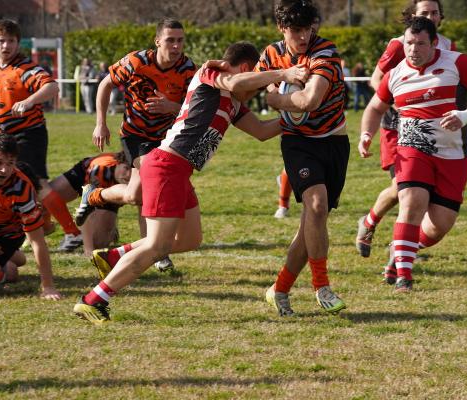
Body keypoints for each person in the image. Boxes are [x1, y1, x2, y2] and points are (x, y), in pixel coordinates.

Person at [72, 41, 309, 324]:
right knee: (157, 246)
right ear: (246, 68)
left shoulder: (234, 103)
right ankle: (93, 300)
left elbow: (261, 131)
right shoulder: (211, 73)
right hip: (166, 165)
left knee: (189, 239)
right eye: (256, 84)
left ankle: (115, 256)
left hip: (179, 171)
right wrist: (282, 74)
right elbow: (236, 82)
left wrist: (300, 114)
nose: (255, 93)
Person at [359, 17, 467, 292]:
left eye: (421, 43)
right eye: (409, 43)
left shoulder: (457, 62)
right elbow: (374, 108)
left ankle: (400, 250)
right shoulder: (395, 74)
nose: (413, 49)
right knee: (412, 201)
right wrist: (366, 134)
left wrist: (466, 114)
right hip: (412, 148)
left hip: (452, 153)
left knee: (439, 226)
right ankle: (404, 277)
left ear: (434, 43)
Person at [77, 18, 197, 272]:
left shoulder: (188, 69)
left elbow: (194, 107)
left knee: (136, 195)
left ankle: (95, 195)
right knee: (151, 188)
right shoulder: (136, 62)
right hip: (136, 135)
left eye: (180, 40)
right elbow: (105, 84)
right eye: (170, 40)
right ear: (157, 41)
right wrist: (100, 123)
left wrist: (172, 107)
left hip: (167, 138)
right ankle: (158, 251)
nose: (176, 46)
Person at [355, 0, 459, 281]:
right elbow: (376, 79)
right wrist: (401, 102)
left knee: (421, 195)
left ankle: (399, 245)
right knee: (405, 190)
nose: (430, 16)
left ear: (441, 17)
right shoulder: (398, 44)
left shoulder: (448, 46)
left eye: (435, 12)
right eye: (424, 12)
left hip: (437, 133)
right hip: (397, 125)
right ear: (413, 15)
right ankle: (372, 224)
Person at [259, 0, 349, 316]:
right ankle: (321, 286)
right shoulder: (271, 54)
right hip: (298, 142)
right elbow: (253, 83)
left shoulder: (325, 53)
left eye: (308, 29)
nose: (302, 37)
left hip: (334, 142)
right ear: (281, 28)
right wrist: (273, 81)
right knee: (317, 205)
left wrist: (275, 98)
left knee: (313, 220)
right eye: (296, 30)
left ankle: (279, 289)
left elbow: (310, 100)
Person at [0, 19, 80, 247]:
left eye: (11, 41)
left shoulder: (24, 69)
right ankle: (39, 227)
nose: (6, 46)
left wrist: (29, 101)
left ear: (18, 43)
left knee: (38, 183)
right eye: (1, 40)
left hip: (28, 134)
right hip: (4, 136)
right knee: (16, 183)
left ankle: (73, 233)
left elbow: (52, 87)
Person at [0, 135, 61, 299]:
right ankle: (12, 260)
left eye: (10, 163)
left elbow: (37, 241)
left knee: (9, 271)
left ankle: (5, 270)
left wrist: (48, 287)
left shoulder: (21, 188)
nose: (4, 170)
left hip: (5, 236)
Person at [272, 15, 321, 220]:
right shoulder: (276, 51)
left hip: (320, 125)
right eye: (300, 29)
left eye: (311, 28)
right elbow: (266, 79)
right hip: (293, 121)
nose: (306, 34)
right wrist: (274, 92)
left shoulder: (322, 51)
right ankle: (283, 205)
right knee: (291, 165)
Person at [44, 151, 131, 254]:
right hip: (85, 175)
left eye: (132, 171)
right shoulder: (101, 169)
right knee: (43, 201)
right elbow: (85, 211)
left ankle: (109, 227)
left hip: (109, 187)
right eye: (126, 168)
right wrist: (89, 250)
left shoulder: (138, 177)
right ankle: (46, 227)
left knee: (99, 243)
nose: (128, 175)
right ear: (118, 162)